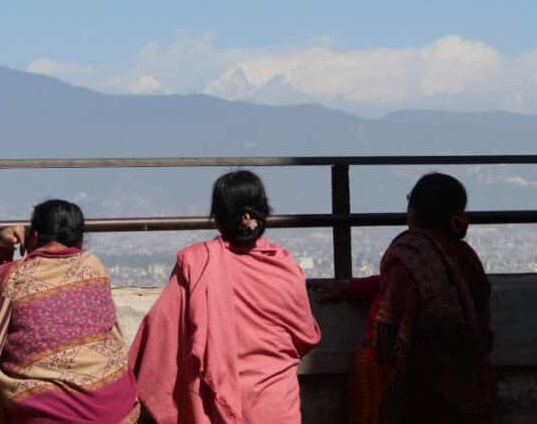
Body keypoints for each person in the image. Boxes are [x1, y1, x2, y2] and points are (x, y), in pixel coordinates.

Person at [129, 170, 320, 424]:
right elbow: (306, 336)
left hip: (215, 408)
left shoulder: (197, 264)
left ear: (217, 219)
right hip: (277, 407)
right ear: (263, 212)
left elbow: (158, 333)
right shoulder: (285, 266)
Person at [314, 173, 495, 423]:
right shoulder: (463, 255)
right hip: (468, 377)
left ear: (415, 211)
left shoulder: (409, 253)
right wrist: (352, 288)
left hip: (417, 386)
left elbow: (389, 325)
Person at [0, 199, 140, 424]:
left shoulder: (11, 276)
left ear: (34, 235)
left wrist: (3, 246)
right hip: (112, 407)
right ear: (81, 238)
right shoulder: (95, 268)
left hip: (44, 412)